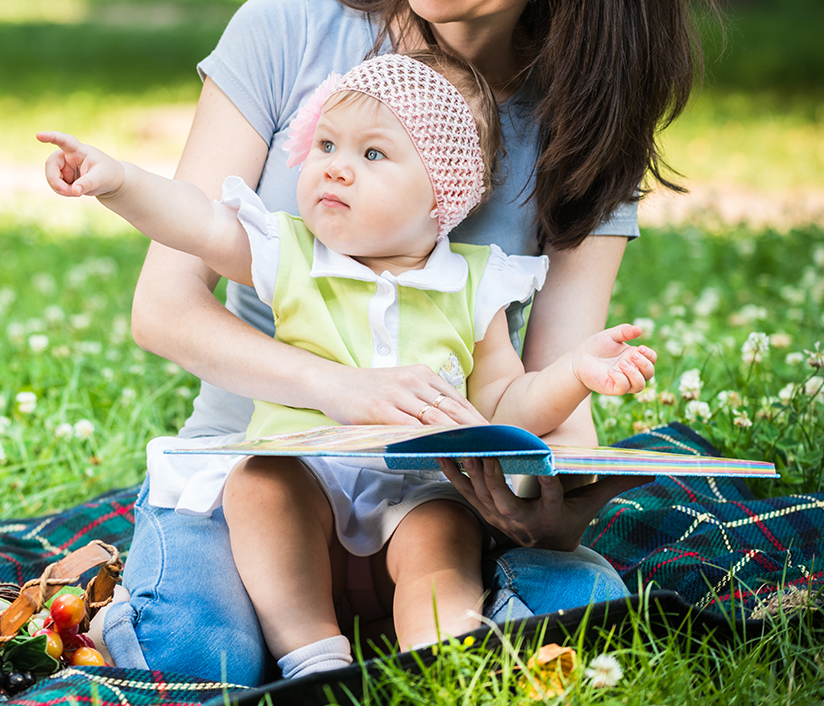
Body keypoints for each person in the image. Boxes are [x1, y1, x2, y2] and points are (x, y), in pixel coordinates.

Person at [91, 0, 701, 685]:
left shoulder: (583, 126)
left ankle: (431, 620)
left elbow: (549, 397)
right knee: (195, 660)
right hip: (257, 476)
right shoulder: (287, 32)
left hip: (440, 504)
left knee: (580, 614)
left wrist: (555, 506)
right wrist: (343, 395)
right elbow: (166, 309)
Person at [40, 51, 656, 676]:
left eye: (372, 154)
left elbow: (504, 403)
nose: (335, 168)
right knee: (258, 486)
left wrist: (575, 375)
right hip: (303, 473)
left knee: (441, 535)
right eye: (327, 144)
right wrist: (119, 182)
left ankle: (439, 660)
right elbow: (196, 222)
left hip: (414, 488)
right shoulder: (291, 253)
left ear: (445, 191)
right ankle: (313, 654)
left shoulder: (474, 284)